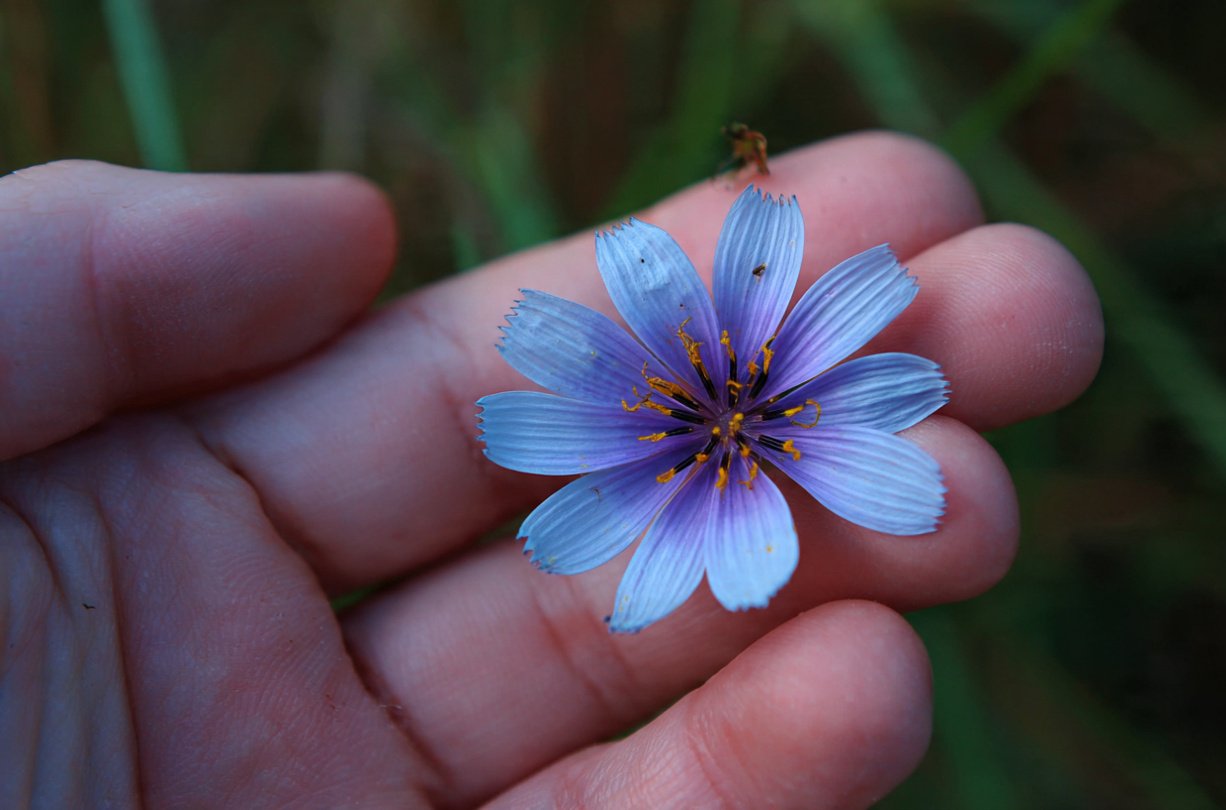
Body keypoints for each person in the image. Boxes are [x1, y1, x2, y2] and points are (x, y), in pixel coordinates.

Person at [0, 132, 1103, 808]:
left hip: (788, 452)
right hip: (711, 506)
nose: (725, 417)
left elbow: (891, 379)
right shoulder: (584, 477)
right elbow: (574, 523)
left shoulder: (812, 360)